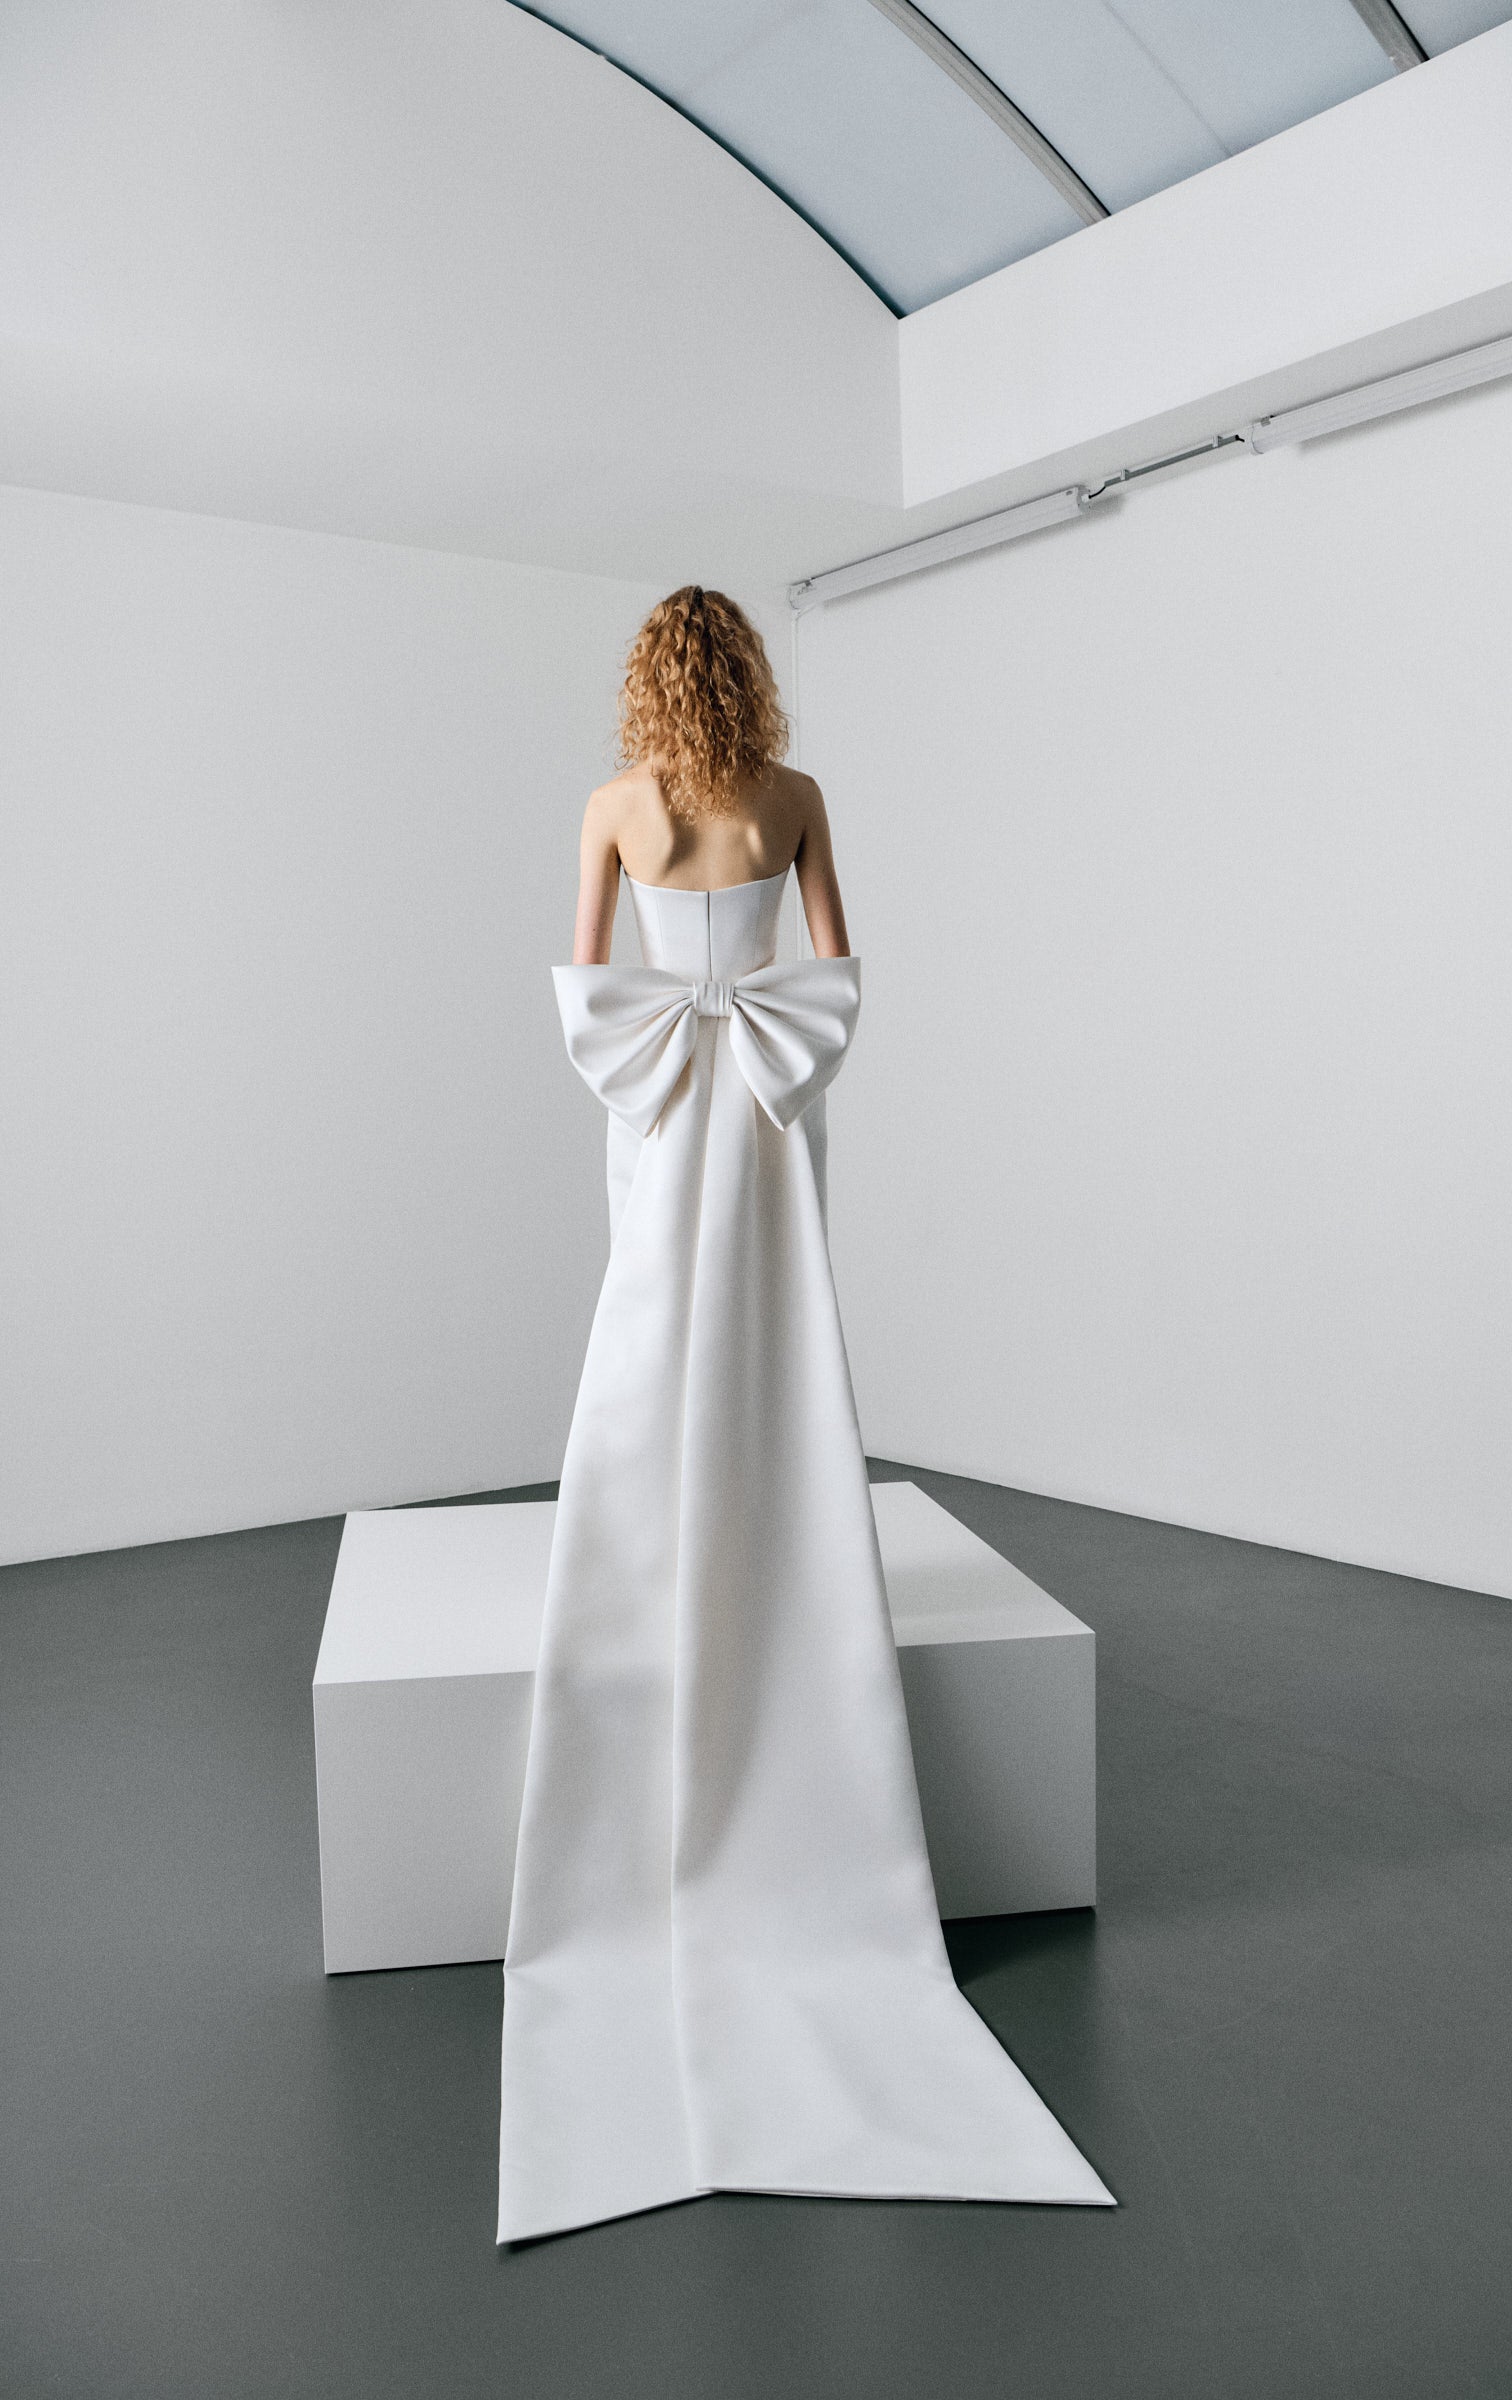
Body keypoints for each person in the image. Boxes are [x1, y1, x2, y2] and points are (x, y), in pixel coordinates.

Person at [497, 586, 1113, 2243]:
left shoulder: (616, 806)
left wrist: (675, 1031)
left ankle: (657, 1521)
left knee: (647, 1329)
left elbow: (584, 988)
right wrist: (750, 1014)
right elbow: (836, 971)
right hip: (769, 1108)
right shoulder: (797, 798)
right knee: (782, 1327)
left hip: (666, 1106)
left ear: (646, 675)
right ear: (749, 672)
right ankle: (768, 1502)